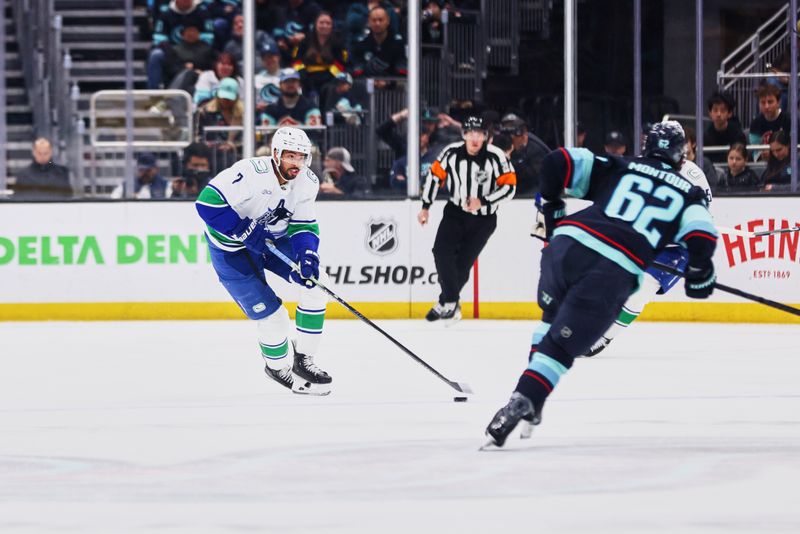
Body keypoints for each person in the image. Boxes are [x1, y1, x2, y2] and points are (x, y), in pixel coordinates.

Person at [484, 121, 718, 448]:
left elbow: (556, 163)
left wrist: (552, 208)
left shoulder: (622, 164)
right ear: (681, 154)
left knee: (551, 320)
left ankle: (527, 391)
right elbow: (702, 233)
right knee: (560, 349)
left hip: (565, 245)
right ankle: (527, 396)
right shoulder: (687, 189)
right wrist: (700, 271)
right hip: (611, 270)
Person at [194, 126, 332, 395]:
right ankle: (277, 367)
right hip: (231, 250)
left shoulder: (308, 182)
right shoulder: (250, 173)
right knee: (274, 318)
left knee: (317, 283)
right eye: (291, 156)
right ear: (277, 153)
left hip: (273, 242)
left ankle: (304, 359)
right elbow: (206, 204)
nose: (297, 163)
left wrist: (306, 254)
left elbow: (304, 224)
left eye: (302, 157)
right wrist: (243, 230)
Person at [581, 122, 714, 357]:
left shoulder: (692, 175)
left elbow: (704, 215)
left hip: (674, 250)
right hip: (643, 239)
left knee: (640, 290)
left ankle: (605, 336)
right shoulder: (639, 167)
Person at [417, 116, 517, 322]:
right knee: (441, 252)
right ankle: (452, 302)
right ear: (464, 135)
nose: (475, 138)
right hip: (455, 213)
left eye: (479, 134)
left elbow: (510, 187)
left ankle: (445, 302)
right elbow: (434, 178)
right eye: (471, 133)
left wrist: (483, 201)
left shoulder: (497, 156)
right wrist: (425, 207)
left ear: (485, 137)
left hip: (484, 220)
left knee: (462, 265)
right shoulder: (451, 153)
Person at [148, 0, 214, 89]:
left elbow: (209, 38)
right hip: (171, 53)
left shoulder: (202, 12)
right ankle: (154, 93)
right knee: (156, 55)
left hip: (198, 51)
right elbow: (159, 39)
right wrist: (173, 53)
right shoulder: (165, 13)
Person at [291, 11, 348, 97]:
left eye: (328, 23)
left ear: (332, 25)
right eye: (321, 23)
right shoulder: (305, 41)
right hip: (307, 77)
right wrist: (302, 73)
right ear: (315, 24)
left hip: (329, 78)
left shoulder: (338, 42)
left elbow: (341, 62)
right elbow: (296, 60)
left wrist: (330, 75)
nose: (324, 26)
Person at [350, 6, 407, 81]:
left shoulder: (398, 44)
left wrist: (387, 83)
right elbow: (357, 72)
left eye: (381, 20)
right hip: (366, 87)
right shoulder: (360, 44)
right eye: (374, 20)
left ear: (388, 21)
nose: (377, 23)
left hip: (392, 89)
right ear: (369, 22)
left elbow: (402, 73)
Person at [499, 113, 549, 196]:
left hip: (531, 193)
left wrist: (515, 158)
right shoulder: (501, 144)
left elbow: (534, 177)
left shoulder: (534, 149)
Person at [748, 84, 792, 160]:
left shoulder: (789, 120)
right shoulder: (755, 122)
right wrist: (761, 155)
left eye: (770, 102)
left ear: (778, 102)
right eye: (763, 102)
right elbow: (755, 149)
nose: (766, 106)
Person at [704, 91, 746, 163]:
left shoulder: (737, 133)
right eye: (715, 110)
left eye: (722, 110)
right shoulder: (706, 135)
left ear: (729, 113)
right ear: (710, 113)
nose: (719, 114)